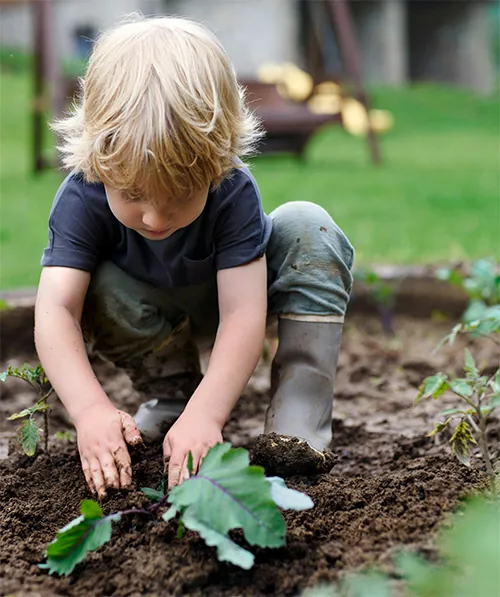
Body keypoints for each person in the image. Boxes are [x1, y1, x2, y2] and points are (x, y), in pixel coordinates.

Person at [35, 14, 354, 498]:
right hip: (144, 315)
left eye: (181, 194)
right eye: (134, 195)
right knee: (79, 281)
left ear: (217, 161)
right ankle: (173, 396)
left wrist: (210, 415)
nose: (156, 218)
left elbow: (244, 314)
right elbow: (55, 309)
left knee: (310, 224)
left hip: (231, 297)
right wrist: (90, 411)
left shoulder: (231, 189)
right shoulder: (83, 195)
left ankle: (297, 421)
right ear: (100, 160)